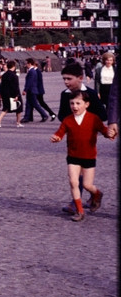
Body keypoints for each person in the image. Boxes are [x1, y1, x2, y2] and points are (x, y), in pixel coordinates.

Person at [50, 90, 114, 221]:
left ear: (87, 104)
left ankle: (97, 194)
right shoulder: (68, 120)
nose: (75, 106)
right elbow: (60, 133)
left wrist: (109, 133)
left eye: (78, 103)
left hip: (89, 157)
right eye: (72, 103)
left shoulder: (93, 119)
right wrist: (56, 137)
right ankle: (79, 211)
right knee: (73, 182)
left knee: (87, 185)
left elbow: (104, 131)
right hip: (73, 156)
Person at [23, 58, 52, 123]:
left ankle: (44, 115)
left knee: (35, 104)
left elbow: (29, 82)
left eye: (26, 63)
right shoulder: (32, 71)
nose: (25, 65)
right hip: (32, 90)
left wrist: (25, 90)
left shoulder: (32, 71)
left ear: (29, 64)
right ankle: (26, 117)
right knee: (28, 104)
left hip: (32, 90)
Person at [0, 60, 23, 128]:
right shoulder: (14, 76)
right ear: (14, 66)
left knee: (6, 108)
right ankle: (18, 122)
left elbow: (2, 85)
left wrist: (0, 94)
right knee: (19, 107)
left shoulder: (4, 75)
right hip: (13, 94)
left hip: (5, 94)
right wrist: (16, 95)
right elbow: (15, 87)